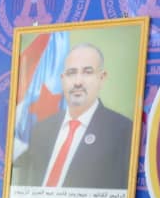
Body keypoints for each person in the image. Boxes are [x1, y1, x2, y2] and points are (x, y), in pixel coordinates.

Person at [12, 43, 133, 189]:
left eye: (87, 72)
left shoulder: (123, 131)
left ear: (101, 78)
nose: (77, 82)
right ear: (62, 79)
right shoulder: (41, 129)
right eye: (71, 73)